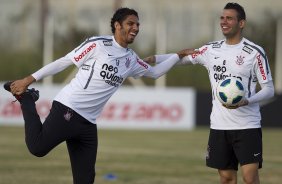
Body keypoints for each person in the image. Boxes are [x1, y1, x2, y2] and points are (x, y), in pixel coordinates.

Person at [4, 8, 195, 184]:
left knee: (85, 180)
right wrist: (29, 79)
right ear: (117, 25)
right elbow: (64, 62)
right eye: (131, 23)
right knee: (37, 148)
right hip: (68, 109)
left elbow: (155, 73)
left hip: (88, 123)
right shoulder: (98, 44)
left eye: (138, 24)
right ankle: (28, 100)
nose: (136, 28)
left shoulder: (131, 59)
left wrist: (177, 56)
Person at [144, 3, 275, 184]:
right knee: (226, 178)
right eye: (222, 18)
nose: (224, 22)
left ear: (241, 23)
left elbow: (269, 89)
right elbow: (184, 59)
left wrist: (247, 101)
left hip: (247, 125)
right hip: (219, 125)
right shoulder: (211, 49)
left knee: (250, 178)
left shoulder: (254, 52)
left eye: (229, 18)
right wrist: (155, 59)